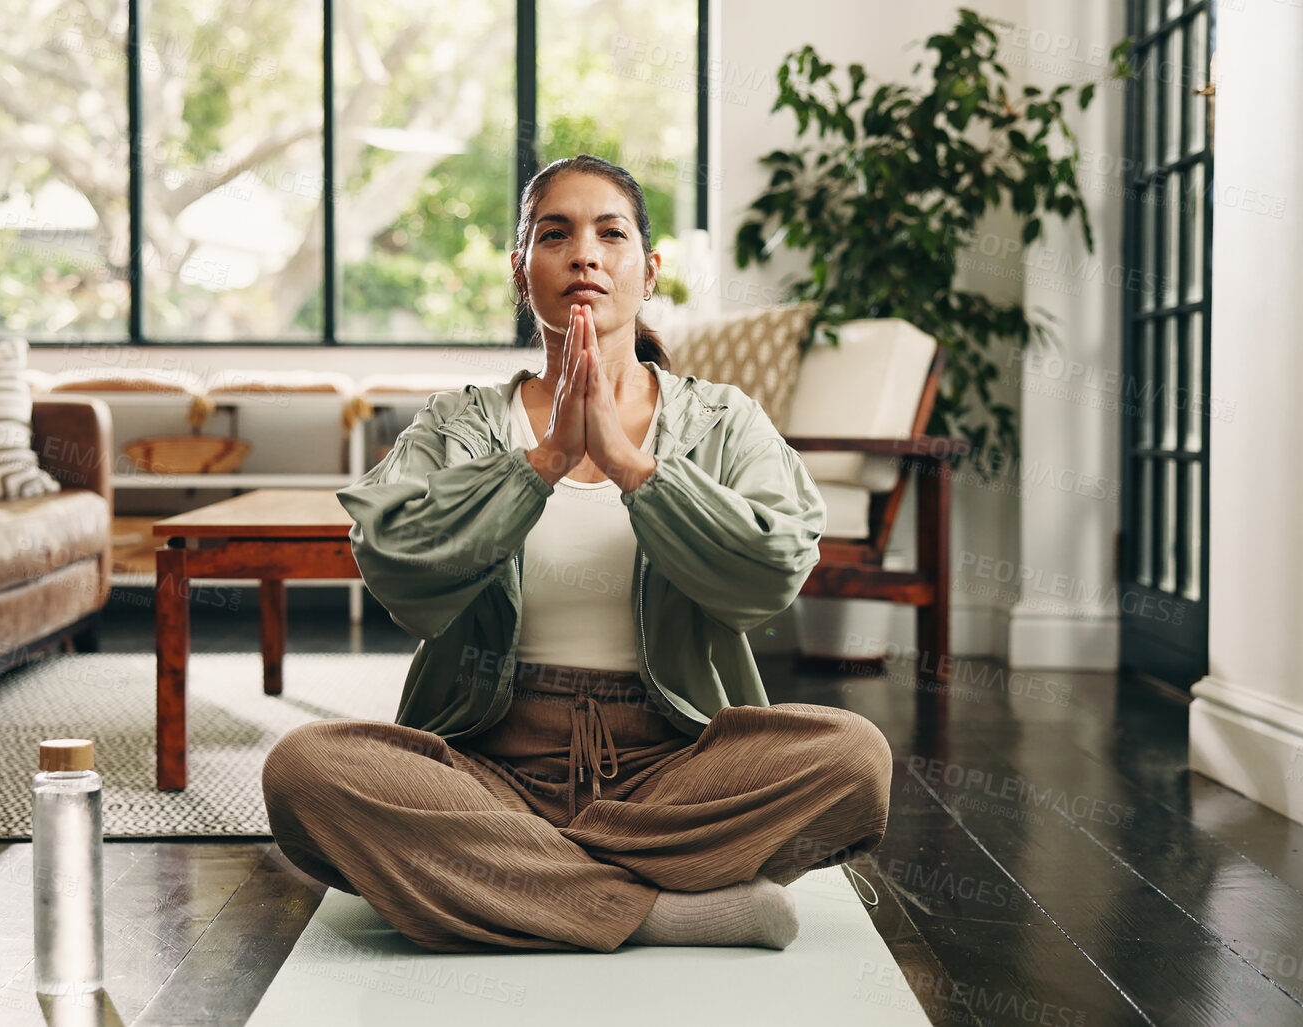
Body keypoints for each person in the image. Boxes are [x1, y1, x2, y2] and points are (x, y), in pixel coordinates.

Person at [260, 154, 893, 955]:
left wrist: (634, 469)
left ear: (648, 269)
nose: (584, 254)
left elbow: (767, 575)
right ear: (520, 271)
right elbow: (394, 559)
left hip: (676, 766)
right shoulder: (463, 422)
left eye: (610, 233)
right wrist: (543, 462)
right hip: (485, 769)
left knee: (855, 759)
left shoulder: (723, 420)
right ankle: (666, 910)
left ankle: (510, 883)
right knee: (303, 772)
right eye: (553, 234)